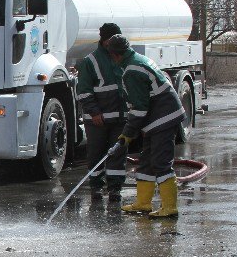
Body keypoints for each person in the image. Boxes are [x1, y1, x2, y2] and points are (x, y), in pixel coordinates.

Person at [106, 34, 186, 218]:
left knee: (160, 162)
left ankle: (170, 207)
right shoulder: (137, 60)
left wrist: (127, 134)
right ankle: (143, 203)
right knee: (147, 162)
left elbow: (139, 108)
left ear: (115, 55)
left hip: (163, 119)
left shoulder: (132, 71)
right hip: (157, 120)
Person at [75, 22, 128, 202]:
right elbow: (84, 90)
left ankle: (115, 188)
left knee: (118, 154)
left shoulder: (122, 57)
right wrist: (94, 112)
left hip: (120, 118)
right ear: (104, 40)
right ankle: (96, 186)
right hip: (97, 119)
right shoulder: (90, 61)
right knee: (96, 153)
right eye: (110, 39)